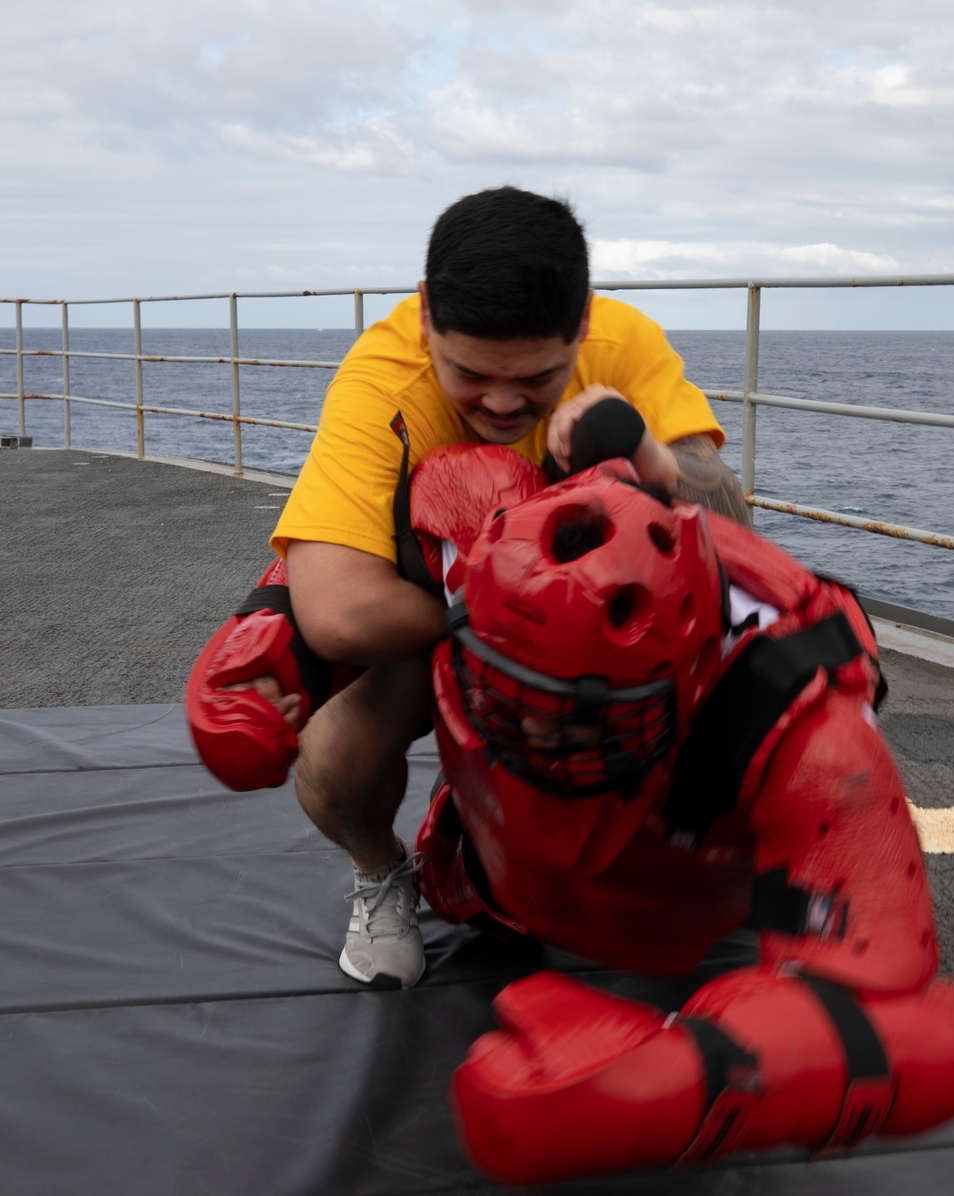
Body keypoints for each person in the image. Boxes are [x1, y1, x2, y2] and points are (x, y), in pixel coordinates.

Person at [191, 185, 749, 990]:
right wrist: (511, 620)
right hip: (435, 608)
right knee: (338, 756)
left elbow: (729, 519)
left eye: (537, 378)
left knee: (745, 683)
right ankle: (380, 868)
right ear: (426, 320)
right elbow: (340, 612)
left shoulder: (624, 342)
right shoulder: (383, 379)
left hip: (595, 609)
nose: (500, 401)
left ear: (583, 325)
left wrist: (646, 458)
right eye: (471, 373)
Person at [411, 450, 954, 1183]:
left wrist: (687, 1078)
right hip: (489, 878)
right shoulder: (490, 551)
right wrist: (274, 638)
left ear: (692, 671)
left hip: (679, 926)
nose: (545, 741)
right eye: (521, 704)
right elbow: (353, 557)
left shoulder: (805, 725)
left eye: (578, 719)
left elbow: (912, 1028)